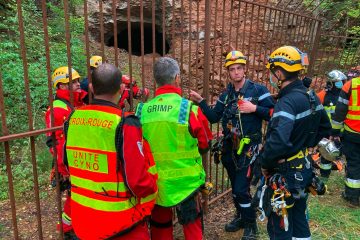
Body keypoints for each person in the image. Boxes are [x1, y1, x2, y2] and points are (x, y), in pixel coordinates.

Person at [63, 63, 158, 239]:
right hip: (120, 224)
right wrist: (153, 188)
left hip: (83, 220)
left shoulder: (73, 118)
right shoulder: (124, 123)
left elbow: (67, 163)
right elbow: (137, 181)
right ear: (122, 88)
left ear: (90, 88)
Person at [190, 50, 274, 239]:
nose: (236, 72)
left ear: (245, 70)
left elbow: (273, 114)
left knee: (240, 189)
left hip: (250, 147)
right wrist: (201, 101)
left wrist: (254, 108)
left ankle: (251, 226)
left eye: (239, 68)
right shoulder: (226, 94)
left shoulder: (258, 90)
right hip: (230, 147)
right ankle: (241, 216)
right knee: (236, 187)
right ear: (228, 72)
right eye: (232, 69)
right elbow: (214, 117)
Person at [135, 57, 212, 240]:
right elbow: (205, 143)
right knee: (192, 226)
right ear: (177, 78)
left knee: (160, 229)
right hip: (186, 185)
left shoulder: (141, 111)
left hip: (155, 183)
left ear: (156, 80)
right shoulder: (189, 109)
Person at [259, 46, 331, 239]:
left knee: (280, 225)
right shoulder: (310, 96)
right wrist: (305, 144)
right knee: (299, 219)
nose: (271, 76)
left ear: (280, 73)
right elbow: (325, 127)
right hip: (304, 169)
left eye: (272, 72)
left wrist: (265, 164)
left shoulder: (287, 102)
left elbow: (278, 142)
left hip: (285, 175)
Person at [45, 66, 87, 239]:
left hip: (80, 159)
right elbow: (55, 143)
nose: (78, 84)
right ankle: (68, 229)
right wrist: (65, 170)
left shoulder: (77, 104)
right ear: (61, 86)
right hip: (69, 164)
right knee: (74, 196)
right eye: (73, 82)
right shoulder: (58, 109)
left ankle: (75, 226)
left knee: (80, 195)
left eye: (78, 80)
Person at [331, 75, 360, 207]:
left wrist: (335, 132)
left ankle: (352, 197)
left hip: (353, 133)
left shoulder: (351, 85)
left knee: (354, 164)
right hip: (352, 133)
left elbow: (340, 111)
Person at [316, 70, 347, 178]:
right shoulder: (322, 96)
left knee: (350, 156)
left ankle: (350, 176)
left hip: (345, 131)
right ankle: (324, 178)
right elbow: (315, 113)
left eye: (342, 81)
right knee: (326, 156)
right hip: (328, 132)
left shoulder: (346, 95)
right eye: (338, 82)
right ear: (331, 83)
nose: (341, 84)